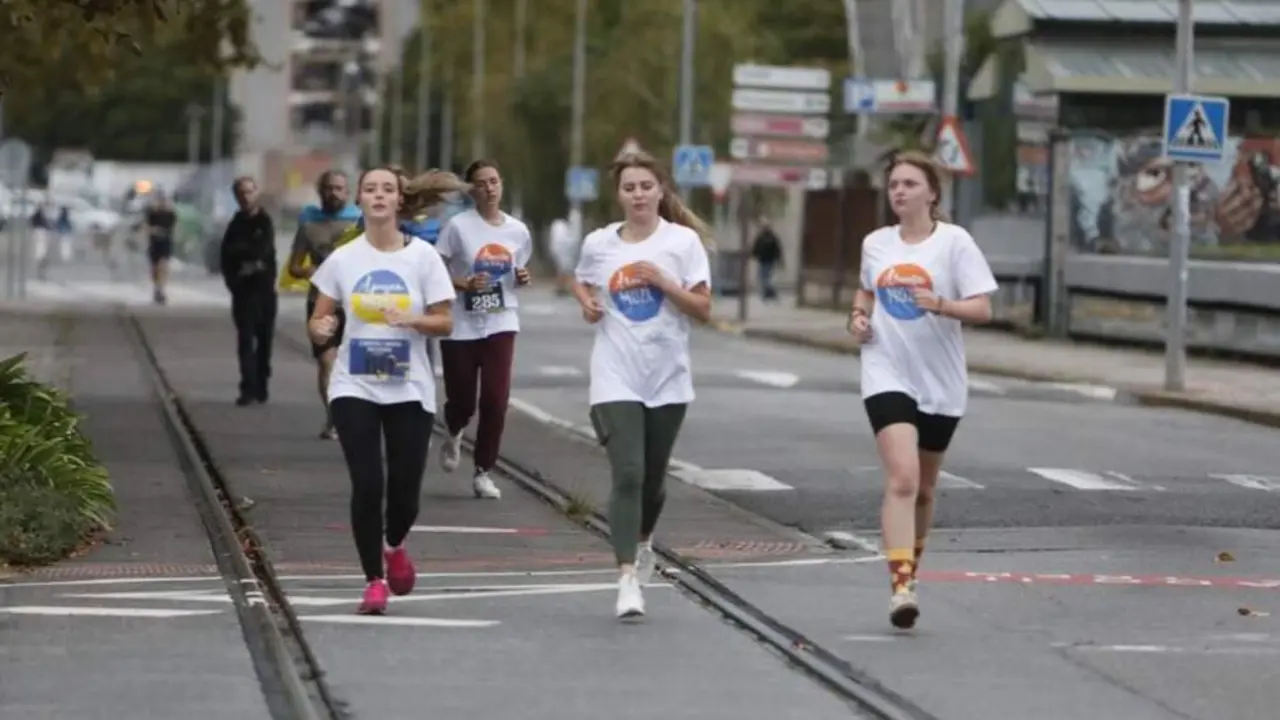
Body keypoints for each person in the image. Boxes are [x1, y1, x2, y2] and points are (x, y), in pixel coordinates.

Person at [846, 151, 997, 630]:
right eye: (894, 184)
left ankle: (911, 569)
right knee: (904, 479)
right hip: (886, 369)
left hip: (941, 380)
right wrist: (858, 316)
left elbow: (983, 310)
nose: (899, 191)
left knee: (926, 490)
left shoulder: (955, 244)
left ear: (932, 193)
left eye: (910, 183)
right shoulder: (876, 243)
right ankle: (901, 586)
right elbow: (865, 290)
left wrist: (942, 304)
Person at [306, 166, 457, 616]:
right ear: (360, 200)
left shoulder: (423, 258)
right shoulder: (343, 259)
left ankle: (394, 545)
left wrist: (409, 319)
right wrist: (323, 327)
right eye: (370, 189)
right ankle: (374, 579)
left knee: (406, 491)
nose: (378, 196)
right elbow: (318, 321)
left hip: (410, 387)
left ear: (398, 201)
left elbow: (445, 321)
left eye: (386, 189)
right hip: (355, 385)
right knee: (368, 483)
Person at [572, 151, 714, 620]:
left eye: (645, 186)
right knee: (628, 474)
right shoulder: (600, 243)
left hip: (667, 378)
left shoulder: (682, 243)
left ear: (661, 191)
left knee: (653, 483)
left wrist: (664, 283)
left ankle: (644, 540)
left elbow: (702, 308)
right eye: (629, 187)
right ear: (619, 194)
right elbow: (582, 280)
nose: (638, 195)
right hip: (615, 373)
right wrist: (588, 304)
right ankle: (627, 579)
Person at [435, 160, 533, 501]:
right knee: (462, 401)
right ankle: (454, 429)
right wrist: (461, 283)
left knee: (495, 399)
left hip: (501, 321)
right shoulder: (457, 227)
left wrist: (522, 277)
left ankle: (483, 471)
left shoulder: (518, 231)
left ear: (501, 185)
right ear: (471, 191)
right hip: (461, 325)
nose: (489, 188)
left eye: (494, 181)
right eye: (481, 183)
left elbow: (517, 270)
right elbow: (433, 272)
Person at [287, 170, 362, 439]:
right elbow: (294, 266)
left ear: (348, 192)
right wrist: (308, 271)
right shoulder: (309, 225)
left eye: (339, 188)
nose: (334, 193)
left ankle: (351, 415)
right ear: (321, 191)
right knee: (327, 362)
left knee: (355, 364)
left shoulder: (359, 223)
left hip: (356, 304)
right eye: (329, 188)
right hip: (321, 302)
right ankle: (334, 416)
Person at [220, 176, 278, 406]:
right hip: (242, 292)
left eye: (249, 192)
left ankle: (261, 381)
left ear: (257, 193)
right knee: (245, 340)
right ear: (236, 196)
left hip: (264, 292)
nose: (245, 197)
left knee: (264, 341)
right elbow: (227, 255)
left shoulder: (265, 222)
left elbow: (262, 252)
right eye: (241, 193)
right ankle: (247, 387)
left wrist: (248, 257)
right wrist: (236, 277)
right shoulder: (234, 225)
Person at [145, 193, 178, 304]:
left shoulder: (170, 215)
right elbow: (147, 227)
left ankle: (161, 289)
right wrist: (154, 230)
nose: (162, 204)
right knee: (155, 268)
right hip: (154, 243)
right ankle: (156, 287)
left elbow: (175, 227)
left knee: (163, 266)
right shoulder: (152, 214)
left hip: (166, 243)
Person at [750, 218, 782, 301]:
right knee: (763, 278)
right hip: (763, 260)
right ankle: (767, 293)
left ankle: (771, 293)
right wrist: (754, 254)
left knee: (766, 278)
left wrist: (778, 258)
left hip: (769, 260)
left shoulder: (771, 237)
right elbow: (756, 247)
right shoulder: (762, 237)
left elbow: (777, 249)